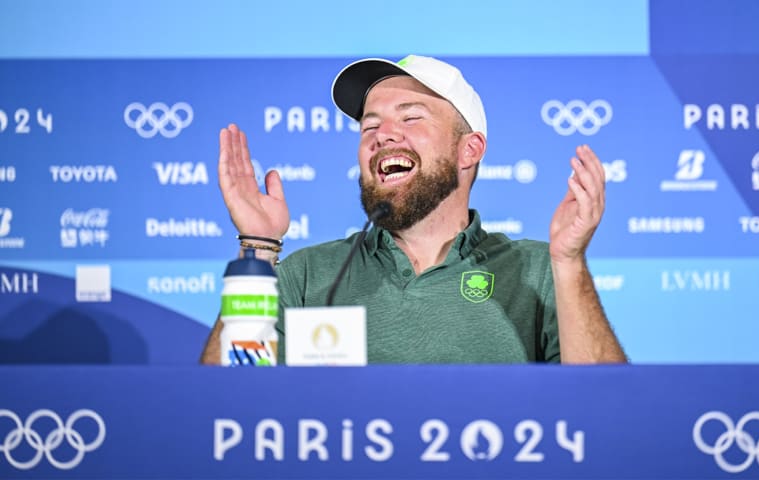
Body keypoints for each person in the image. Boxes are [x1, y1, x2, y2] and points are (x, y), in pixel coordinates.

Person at [201, 54, 627, 365]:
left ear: (469, 150)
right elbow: (227, 407)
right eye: (370, 125)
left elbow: (604, 412)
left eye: (410, 118)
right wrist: (258, 246)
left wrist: (569, 263)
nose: (382, 135)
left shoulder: (539, 271)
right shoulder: (308, 274)